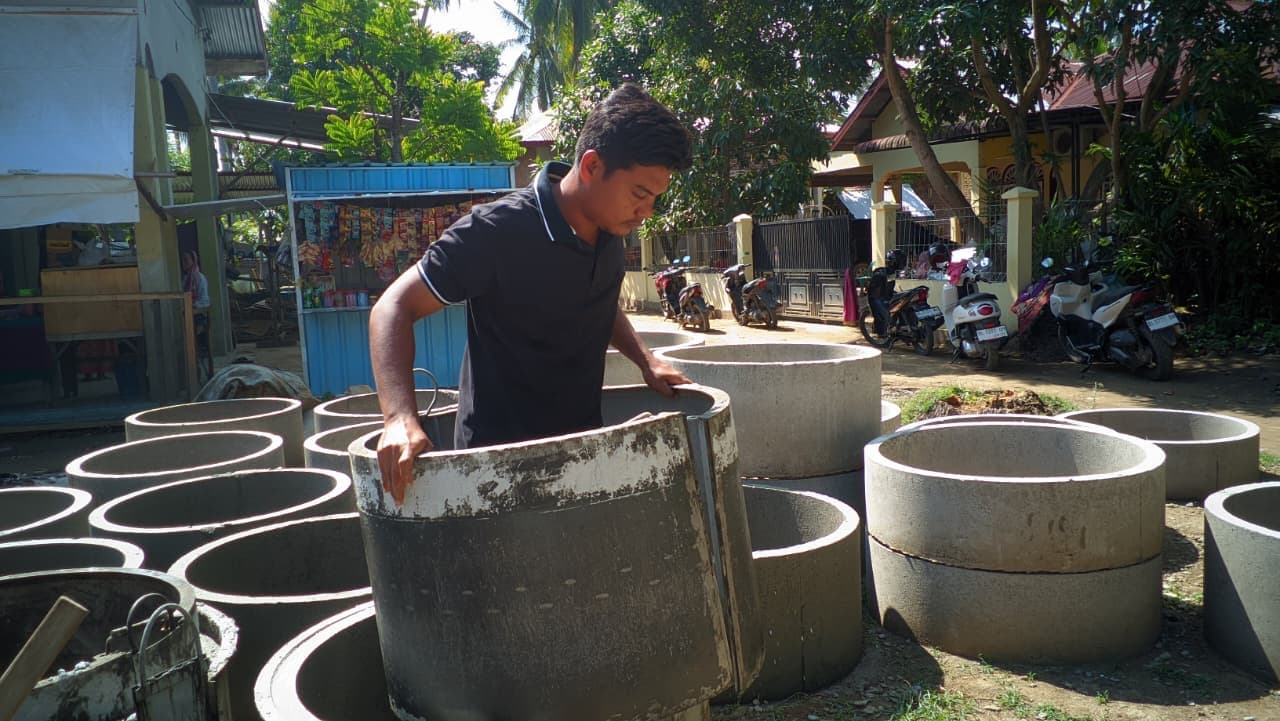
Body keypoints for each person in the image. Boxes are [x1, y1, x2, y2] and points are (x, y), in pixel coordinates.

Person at [371, 83, 694, 504]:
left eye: (655, 199)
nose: (646, 212)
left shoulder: (611, 230)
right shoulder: (495, 232)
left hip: (583, 454)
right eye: (640, 194)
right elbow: (392, 306)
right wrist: (398, 418)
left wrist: (646, 360)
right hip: (494, 472)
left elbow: (598, 300)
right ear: (593, 166)